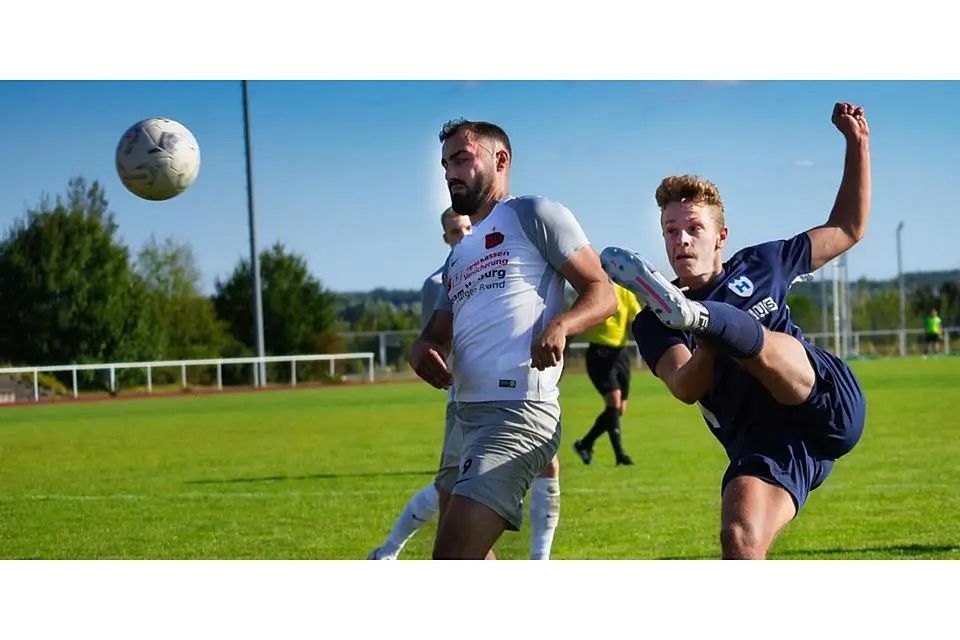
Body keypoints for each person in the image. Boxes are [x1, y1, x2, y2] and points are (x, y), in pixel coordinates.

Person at [600, 102, 869, 559]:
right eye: (670, 231)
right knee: (739, 538)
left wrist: (856, 143)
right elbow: (685, 386)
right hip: (765, 444)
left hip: (824, 400)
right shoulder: (654, 323)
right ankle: (708, 321)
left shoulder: (763, 263)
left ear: (721, 236)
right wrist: (707, 343)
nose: (681, 239)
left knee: (760, 345)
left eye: (693, 228)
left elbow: (848, 227)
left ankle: (707, 317)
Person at [410, 118, 617, 560]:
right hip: (462, 416)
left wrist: (561, 324)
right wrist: (422, 349)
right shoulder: (460, 253)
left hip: (516, 412)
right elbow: (435, 333)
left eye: (462, 159)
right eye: (445, 163)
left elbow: (603, 292)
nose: (450, 172)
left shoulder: (533, 215)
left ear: (499, 159)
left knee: (450, 559)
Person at [371, 207, 564, 560]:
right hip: (464, 399)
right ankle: (387, 551)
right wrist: (427, 353)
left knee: (543, 467)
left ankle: (541, 559)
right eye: (455, 232)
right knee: (451, 495)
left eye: (467, 228)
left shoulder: (505, 260)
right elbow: (437, 340)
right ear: (446, 238)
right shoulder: (438, 282)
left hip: (518, 398)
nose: (463, 235)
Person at [573, 283, 642, 466]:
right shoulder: (595, 291)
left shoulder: (625, 292)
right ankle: (620, 455)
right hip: (599, 353)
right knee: (614, 400)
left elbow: (637, 318)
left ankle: (585, 444)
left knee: (619, 409)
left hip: (620, 354)